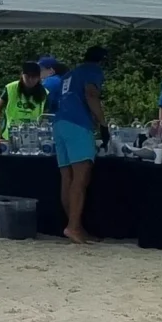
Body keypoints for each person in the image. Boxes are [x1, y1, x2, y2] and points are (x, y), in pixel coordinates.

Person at [51, 49, 105, 244]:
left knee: (67, 178)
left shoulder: (69, 74)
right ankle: (73, 227)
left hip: (59, 123)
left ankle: (75, 225)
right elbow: (91, 94)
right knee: (80, 178)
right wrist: (103, 123)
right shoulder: (93, 72)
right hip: (78, 124)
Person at [0, 60, 52, 143]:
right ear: (22, 75)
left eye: (34, 77)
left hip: (32, 138)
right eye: (27, 76)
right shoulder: (11, 88)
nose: (30, 80)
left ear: (39, 78)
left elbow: (46, 116)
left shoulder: (45, 93)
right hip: (9, 135)